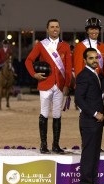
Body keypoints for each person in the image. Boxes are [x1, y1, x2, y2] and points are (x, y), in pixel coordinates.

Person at [25, 19, 72, 154]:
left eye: (57, 26)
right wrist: (34, 75)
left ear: (59, 28)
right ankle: (43, 145)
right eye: (52, 27)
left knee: (57, 115)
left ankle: (56, 145)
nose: (55, 29)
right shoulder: (41, 45)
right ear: (47, 29)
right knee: (44, 113)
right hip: (45, 84)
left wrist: (67, 85)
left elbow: (68, 68)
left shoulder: (65, 46)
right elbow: (29, 60)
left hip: (60, 86)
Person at [74, 48, 104, 184]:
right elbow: (78, 99)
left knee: (95, 154)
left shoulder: (96, 74)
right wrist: (95, 114)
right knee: (88, 155)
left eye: (96, 57)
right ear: (85, 60)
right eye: (91, 58)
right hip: (90, 121)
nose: (94, 60)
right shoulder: (83, 75)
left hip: (96, 122)